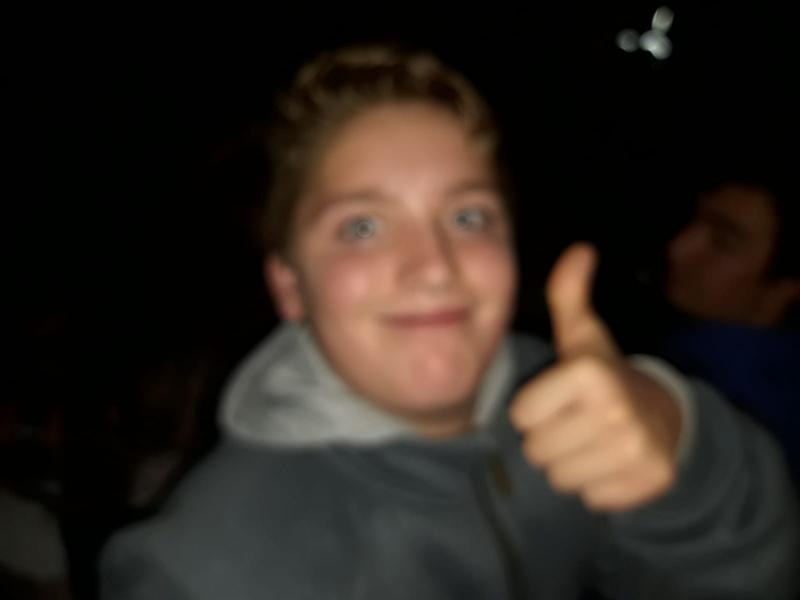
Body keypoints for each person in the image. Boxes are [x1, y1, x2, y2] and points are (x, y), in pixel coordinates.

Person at [99, 44, 798, 599]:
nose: (433, 266)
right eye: (363, 226)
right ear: (290, 287)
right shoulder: (209, 567)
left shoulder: (569, 403)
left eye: (467, 217)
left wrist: (686, 452)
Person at [661, 174, 800, 477]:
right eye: (694, 223)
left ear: (783, 290)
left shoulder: (740, 403)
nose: (678, 247)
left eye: (722, 242)